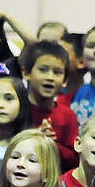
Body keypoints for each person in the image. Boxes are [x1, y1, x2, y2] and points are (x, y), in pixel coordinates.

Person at [21, 40, 77, 171]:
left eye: (57, 72)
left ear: (65, 80)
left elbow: (74, 159)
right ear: (26, 73)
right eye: (43, 70)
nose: (50, 77)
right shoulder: (17, 110)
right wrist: (34, 139)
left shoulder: (67, 115)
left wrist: (49, 144)